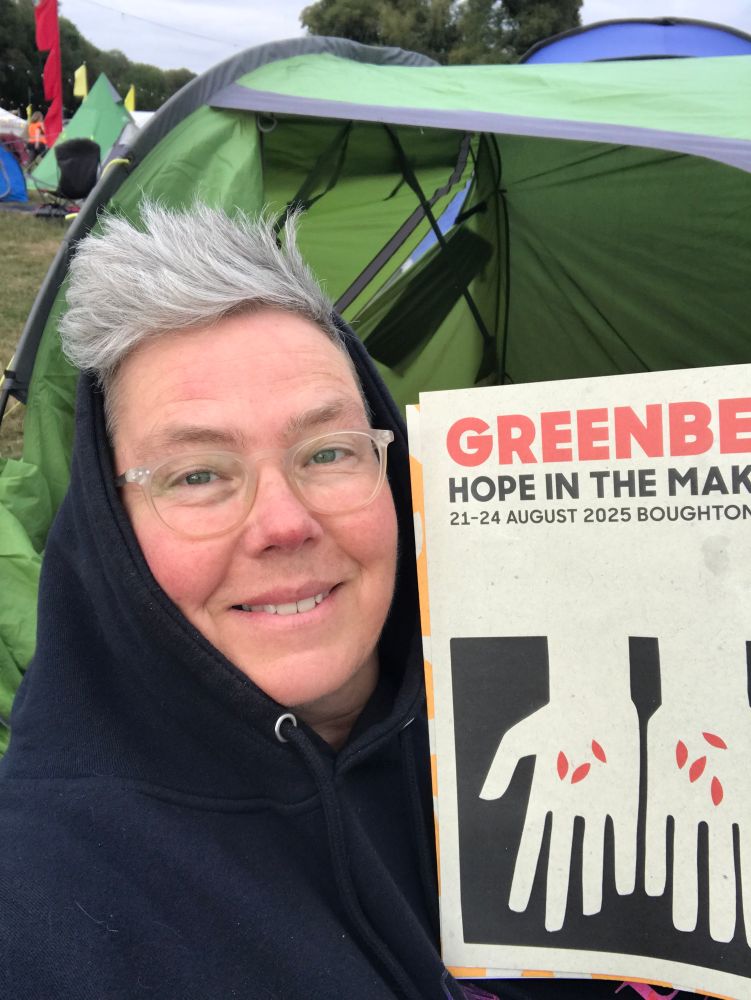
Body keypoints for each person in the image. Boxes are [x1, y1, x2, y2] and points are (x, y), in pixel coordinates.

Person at [0, 202, 695, 1000]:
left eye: (328, 452)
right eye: (197, 475)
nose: (284, 523)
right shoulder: (38, 908)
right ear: (108, 528)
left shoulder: (577, 738)